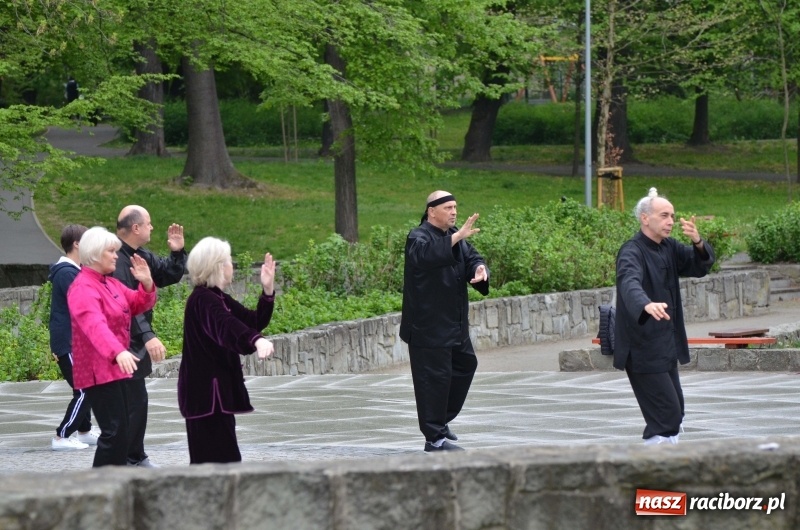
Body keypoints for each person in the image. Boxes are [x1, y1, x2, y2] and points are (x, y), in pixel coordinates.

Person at [614, 187, 715, 445]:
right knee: (666, 415)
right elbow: (629, 282)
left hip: (666, 345)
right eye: (664, 215)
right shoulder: (631, 251)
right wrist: (645, 304)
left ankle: (664, 468)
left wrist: (698, 242)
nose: (670, 221)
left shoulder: (669, 247)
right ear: (645, 218)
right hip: (642, 348)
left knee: (675, 413)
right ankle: (650, 469)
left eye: (672, 215)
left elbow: (697, 265)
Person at [400, 190, 489, 452]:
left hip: (454, 325)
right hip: (427, 328)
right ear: (432, 211)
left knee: (465, 365)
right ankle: (435, 439)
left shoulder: (455, 240)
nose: (454, 212)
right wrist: (457, 236)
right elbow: (424, 257)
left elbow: (472, 257)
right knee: (433, 381)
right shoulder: (418, 237)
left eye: (455, 207)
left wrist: (479, 270)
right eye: (448, 207)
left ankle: (439, 419)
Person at [178, 237, 276, 464]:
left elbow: (252, 321)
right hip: (207, 397)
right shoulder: (203, 300)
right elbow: (226, 327)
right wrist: (256, 341)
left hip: (214, 398)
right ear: (219, 267)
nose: (232, 266)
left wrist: (268, 290)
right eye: (229, 261)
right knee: (217, 464)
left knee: (223, 462)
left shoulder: (216, 297)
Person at [67, 226, 157, 467]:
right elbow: (94, 325)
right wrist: (117, 351)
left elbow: (137, 303)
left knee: (121, 432)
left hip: (115, 369)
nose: (116, 256)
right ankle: (100, 488)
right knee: (114, 432)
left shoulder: (110, 283)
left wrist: (147, 284)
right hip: (98, 371)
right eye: (111, 251)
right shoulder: (83, 287)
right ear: (96, 254)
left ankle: (112, 484)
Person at [112, 205, 187, 468]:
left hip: (132, 344)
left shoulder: (140, 254)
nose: (152, 227)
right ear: (135, 228)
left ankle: (129, 456)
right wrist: (148, 336)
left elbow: (169, 274)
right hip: (120, 344)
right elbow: (125, 305)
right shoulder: (116, 260)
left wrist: (177, 252)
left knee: (133, 402)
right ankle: (130, 457)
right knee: (132, 403)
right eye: (149, 223)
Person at [49, 224, 99, 451]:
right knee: (85, 388)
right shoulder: (67, 273)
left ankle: (85, 431)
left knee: (85, 386)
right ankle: (62, 436)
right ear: (77, 244)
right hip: (68, 343)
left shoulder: (72, 271)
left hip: (74, 342)